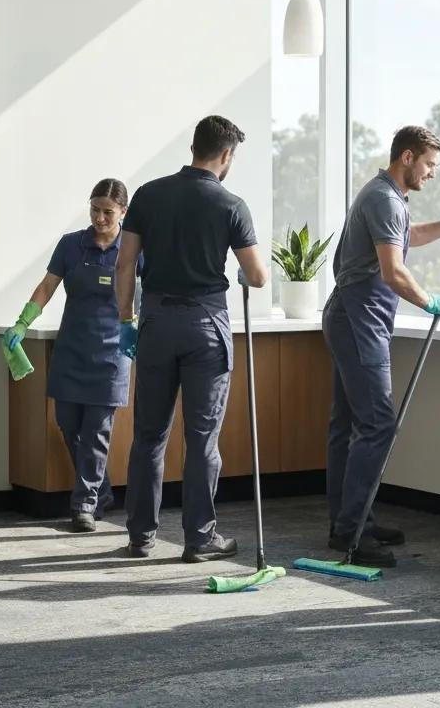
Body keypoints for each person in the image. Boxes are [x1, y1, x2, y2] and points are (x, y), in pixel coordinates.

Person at [323, 125, 440, 567]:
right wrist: (429, 300)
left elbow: (404, 238)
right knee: (377, 424)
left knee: (348, 425)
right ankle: (352, 531)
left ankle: (351, 521)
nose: (432, 173)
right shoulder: (383, 198)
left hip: (353, 316)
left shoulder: (386, 198)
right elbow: (393, 272)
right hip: (358, 318)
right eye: (430, 164)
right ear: (407, 156)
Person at [116, 115, 268, 562]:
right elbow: (257, 276)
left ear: (193, 148)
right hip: (206, 325)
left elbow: (125, 264)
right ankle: (199, 539)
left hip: (156, 323)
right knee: (202, 438)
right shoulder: (231, 205)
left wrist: (126, 319)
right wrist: (242, 268)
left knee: (149, 434)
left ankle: (141, 536)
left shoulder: (148, 194)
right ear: (225, 155)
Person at [4, 179, 140, 532]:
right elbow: (47, 285)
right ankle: (103, 490)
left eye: (108, 212)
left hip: (113, 351)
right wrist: (23, 321)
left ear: (123, 213)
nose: (99, 217)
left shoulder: (134, 249)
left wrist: (142, 327)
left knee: (96, 431)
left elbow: (151, 289)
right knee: (69, 425)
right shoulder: (71, 245)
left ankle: (84, 504)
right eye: (94, 209)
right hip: (72, 349)